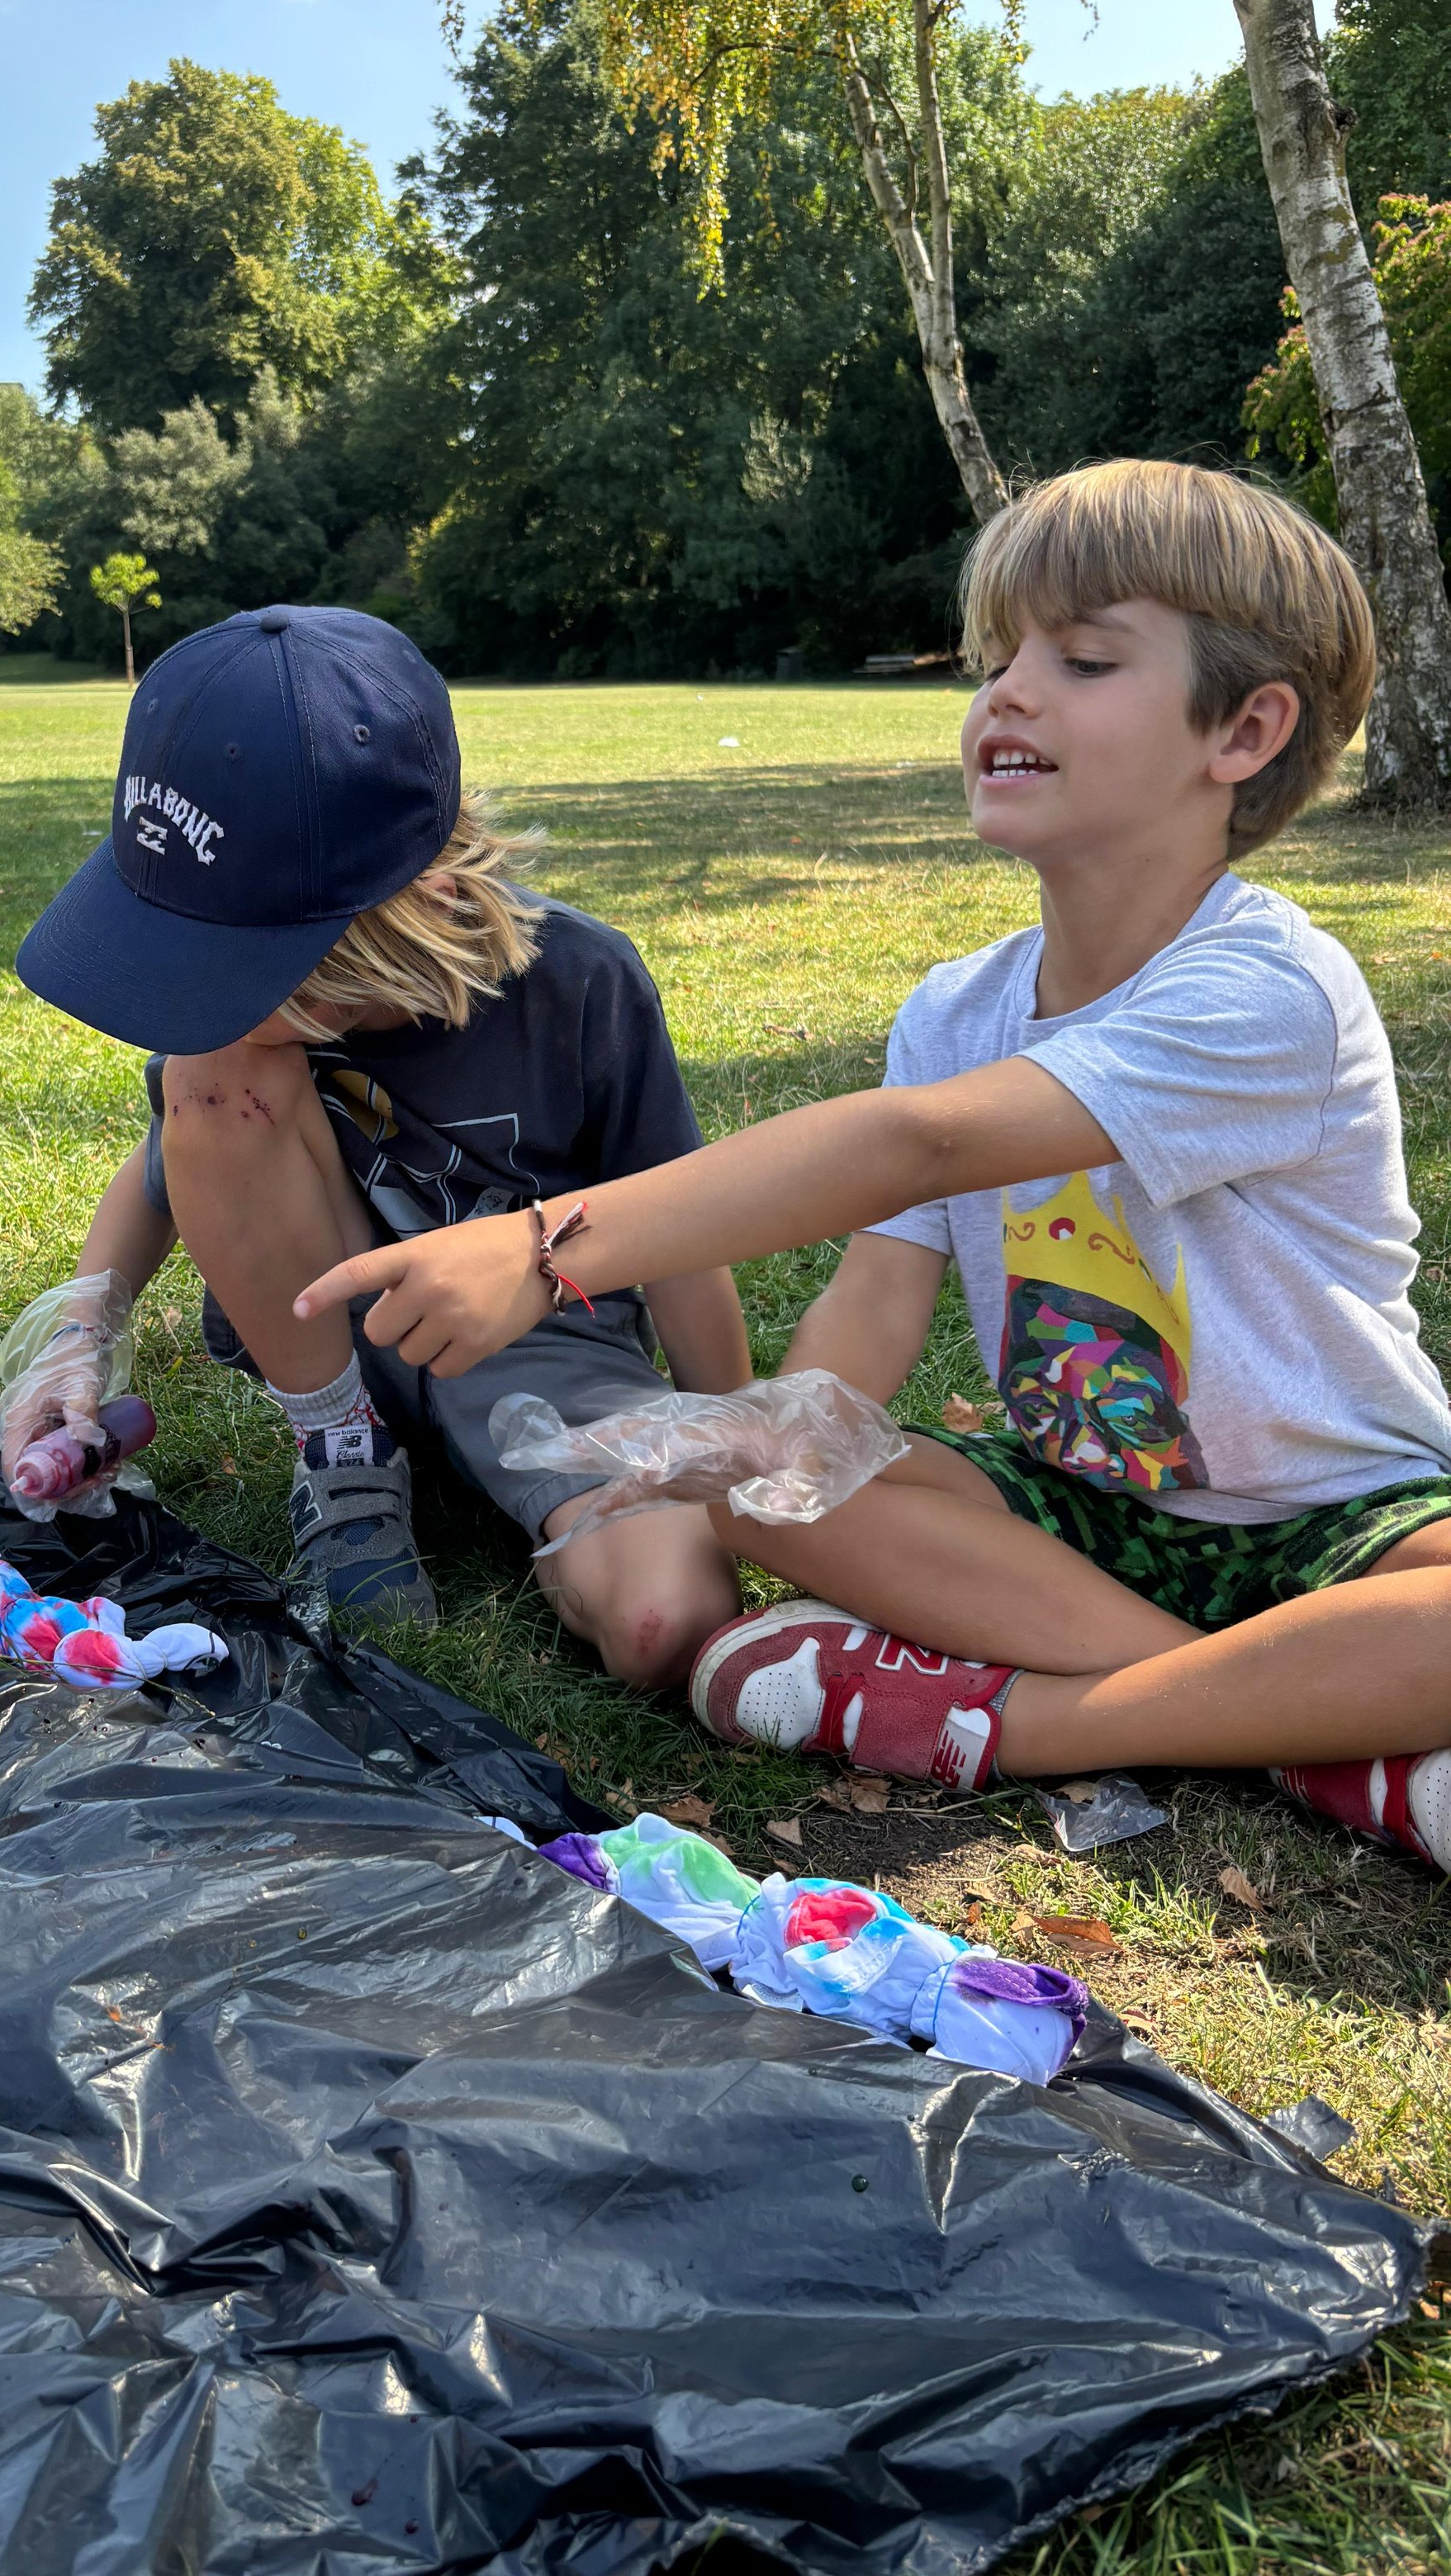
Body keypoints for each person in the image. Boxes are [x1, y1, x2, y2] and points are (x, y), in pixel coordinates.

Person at [295, 465, 1451, 1866]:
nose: (1009, 694)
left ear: (1247, 730)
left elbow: (916, 1143)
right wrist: (769, 1435)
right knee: (760, 1479)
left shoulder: (1270, 991)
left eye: (1081, 660)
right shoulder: (957, 1007)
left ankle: (1046, 1721)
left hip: (1345, 1517)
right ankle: (1305, 1720)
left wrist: (546, 1247)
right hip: (1079, 1513)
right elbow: (879, 1293)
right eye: (998, 659)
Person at [4, 602, 747, 1683]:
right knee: (209, 1068)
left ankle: (539, 1507)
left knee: (662, 1621)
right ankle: (344, 1454)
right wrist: (78, 1336)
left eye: (225, 956)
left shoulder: (583, 985)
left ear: (411, 905)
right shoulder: (233, 1045)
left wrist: (729, 1448)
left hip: (539, 1339)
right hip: (328, 1333)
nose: (187, 988)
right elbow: (167, 1162)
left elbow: (683, 1233)